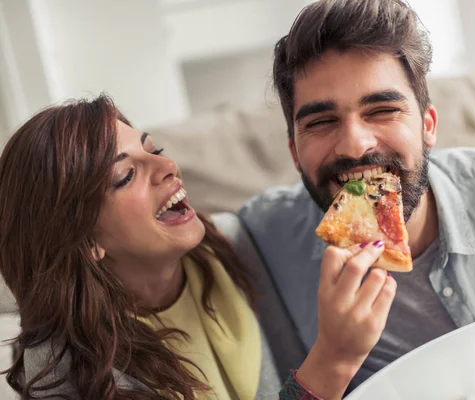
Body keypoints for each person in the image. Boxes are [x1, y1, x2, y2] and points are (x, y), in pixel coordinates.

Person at [238, 0, 475, 390]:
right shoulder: (258, 240)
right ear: (294, 152)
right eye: (322, 121)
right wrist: (334, 357)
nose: (356, 146)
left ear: (428, 125)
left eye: (381, 110)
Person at [0, 95, 397, 400]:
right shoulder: (59, 369)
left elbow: (344, 200)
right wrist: (334, 359)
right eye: (125, 175)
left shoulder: (234, 243)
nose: (168, 166)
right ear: (84, 239)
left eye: (153, 150)